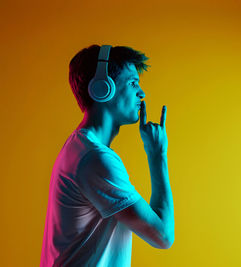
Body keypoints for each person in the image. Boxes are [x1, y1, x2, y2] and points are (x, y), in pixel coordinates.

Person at [40, 44, 174, 267]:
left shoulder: (80, 147)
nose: (142, 93)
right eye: (132, 83)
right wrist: (157, 153)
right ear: (103, 88)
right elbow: (163, 236)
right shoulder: (95, 159)